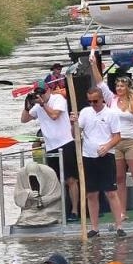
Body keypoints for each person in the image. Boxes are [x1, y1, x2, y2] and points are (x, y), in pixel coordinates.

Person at [91, 51, 133, 219]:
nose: (119, 88)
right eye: (117, 86)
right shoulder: (111, 99)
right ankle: (121, 212)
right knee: (119, 178)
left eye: (122, 86)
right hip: (116, 142)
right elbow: (100, 83)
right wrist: (93, 64)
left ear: (128, 87)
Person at [22, 83, 79, 223]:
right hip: (50, 147)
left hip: (65, 143)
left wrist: (43, 105)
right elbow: (24, 120)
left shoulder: (58, 99)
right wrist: (26, 105)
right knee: (57, 181)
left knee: (70, 180)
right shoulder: (37, 106)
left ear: (48, 90)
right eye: (37, 94)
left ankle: (75, 211)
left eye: (42, 92)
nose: (40, 96)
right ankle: (61, 209)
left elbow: (54, 115)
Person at [77, 80, 127, 238]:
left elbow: (117, 136)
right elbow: (76, 134)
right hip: (88, 156)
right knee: (91, 193)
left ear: (102, 99)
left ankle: (119, 225)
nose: (93, 104)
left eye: (95, 101)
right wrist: (73, 123)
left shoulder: (111, 113)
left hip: (106, 156)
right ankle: (94, 227)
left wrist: (107, 146)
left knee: (111, 192)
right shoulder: (85, 112)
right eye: (90, 101)